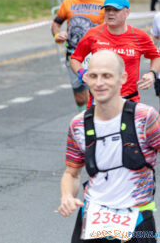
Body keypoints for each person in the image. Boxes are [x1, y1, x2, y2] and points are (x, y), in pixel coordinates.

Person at [59, 50, 160, 243]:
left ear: (122, 78)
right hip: (93, 219)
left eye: (107, 76)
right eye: (93, 76)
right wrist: (66, 196)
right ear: (86, 78)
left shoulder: (145, 117)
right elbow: (71, 173)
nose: (99, 83)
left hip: (137, 220)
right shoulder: (78, 124)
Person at [70, 0, 160, 107]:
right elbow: (75, 58)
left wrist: (152, 74)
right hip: (99, 101)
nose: (110, 13)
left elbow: (156, 56)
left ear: (127, 12)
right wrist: (82, 73)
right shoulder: (93, 34)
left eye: (115, 10)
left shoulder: (139, 36)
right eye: (107, 10)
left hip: (129, 100)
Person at [51, 0, 106, 111]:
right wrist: (58, 34)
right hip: (74, 55)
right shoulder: (69, 2)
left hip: (96, 55)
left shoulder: (103, 2)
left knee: (96, 90)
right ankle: (85, 119)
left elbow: (113, 25)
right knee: (80, 97)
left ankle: (94, 123)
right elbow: (56, 24)